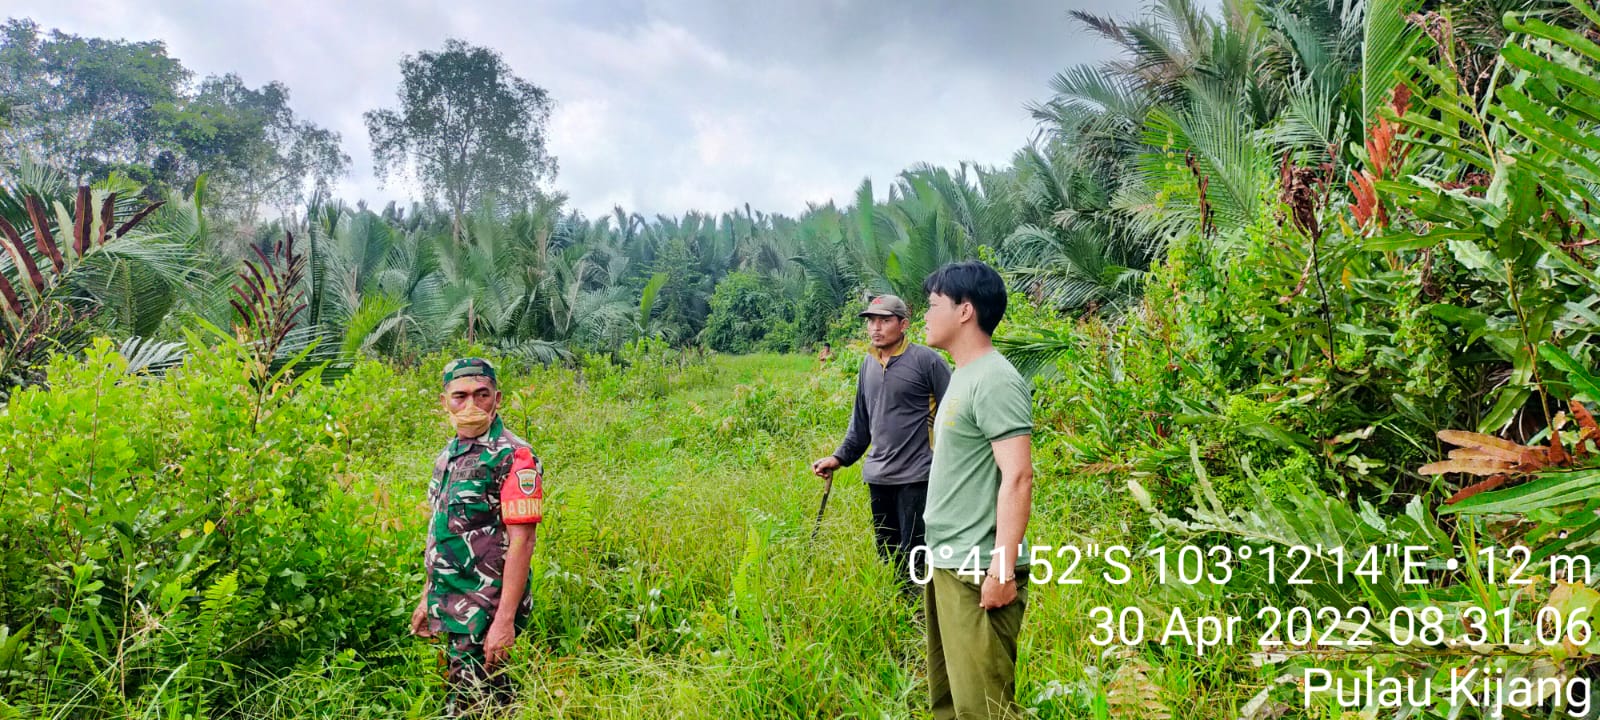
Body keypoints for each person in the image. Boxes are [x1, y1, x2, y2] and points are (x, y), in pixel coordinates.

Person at [919, 262, 1034, 719]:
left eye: (932, 305)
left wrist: (1002, 571)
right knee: (950, 701)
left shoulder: (995, 379)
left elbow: (1018, 476)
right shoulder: (962, 376)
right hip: (948, 561)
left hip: (978, 567)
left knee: (984, 709)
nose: (924, 315)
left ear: (965, 311)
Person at [412, 357, 544, 717]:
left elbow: (523, 542)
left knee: (468, 704)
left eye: (481, 394)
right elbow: (440, 529)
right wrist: (428, 596)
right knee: (491, 700)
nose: (470, 405)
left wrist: (504, 620)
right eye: (460, 396)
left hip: (485, 605)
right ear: (445, 403)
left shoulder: (514, 456)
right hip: (451, 599)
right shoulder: (448, 455)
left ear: (497, 399)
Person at [811, 294, 951, 590]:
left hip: (917, 475)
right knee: (887, 551)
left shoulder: (927, 362)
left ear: (903, 325)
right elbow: (861, 423)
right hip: (878, 476)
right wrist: (838, 458)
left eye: (884, 320)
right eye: (871, 321)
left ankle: (918, 614)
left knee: (915, 551)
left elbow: (955, 413)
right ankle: (896, 611)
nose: (875, 327)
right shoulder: (867, 365)